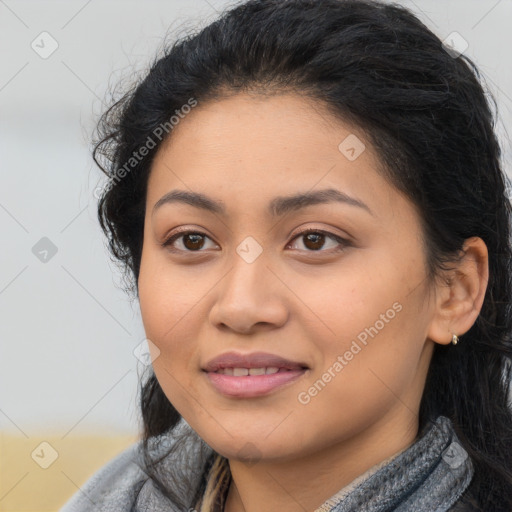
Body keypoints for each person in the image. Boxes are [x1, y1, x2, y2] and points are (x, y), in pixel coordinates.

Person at [60, 0, 512, 510]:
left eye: (315, 240)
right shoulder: (108, 497)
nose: (241, 306)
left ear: (455, 290)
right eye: (192, 240)